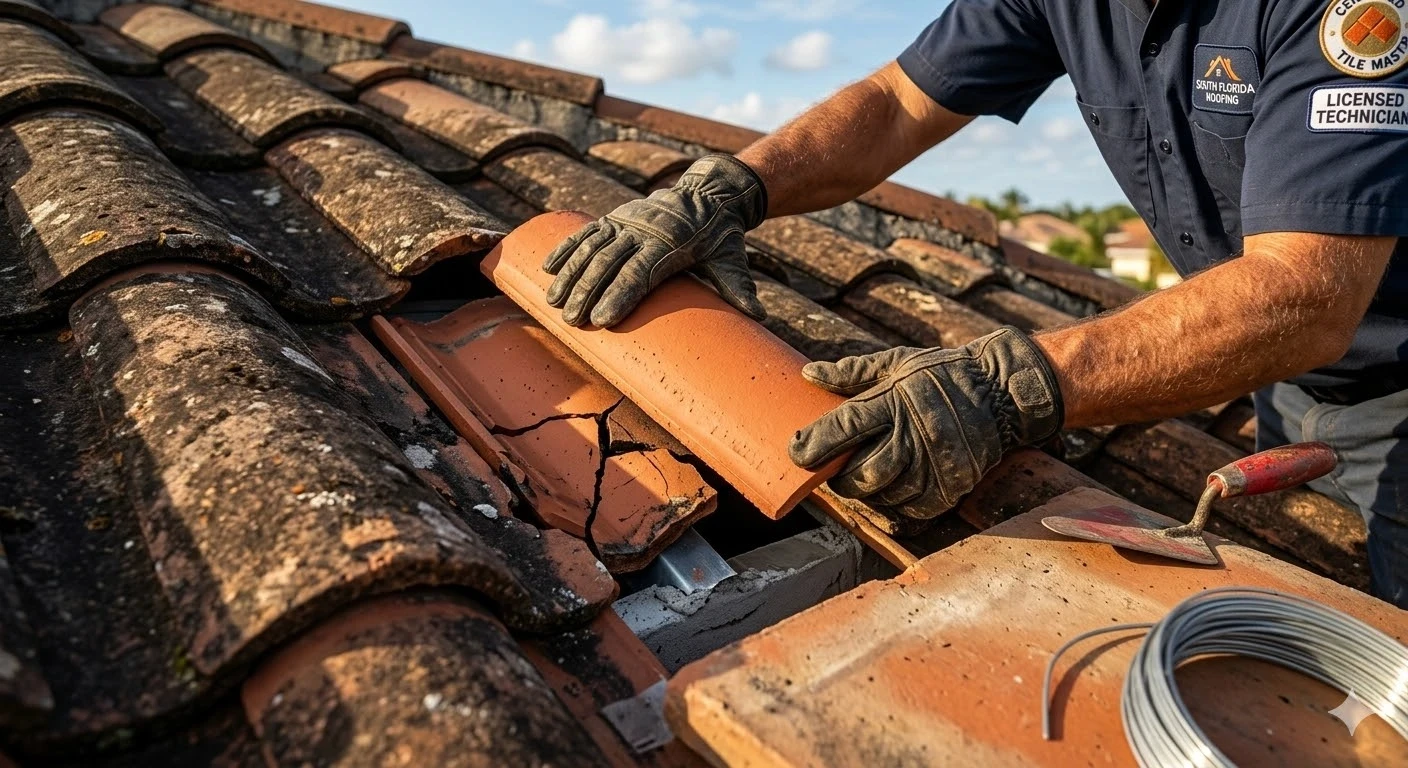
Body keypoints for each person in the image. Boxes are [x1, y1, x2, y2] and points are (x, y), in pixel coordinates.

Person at [541, 0, 1408, 606]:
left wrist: (1006, 389)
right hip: (1288, 379)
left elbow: (1306, 293)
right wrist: (730, 188)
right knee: (1313, 572)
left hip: (1391, 378)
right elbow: (894, 103)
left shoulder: (1343, 13)